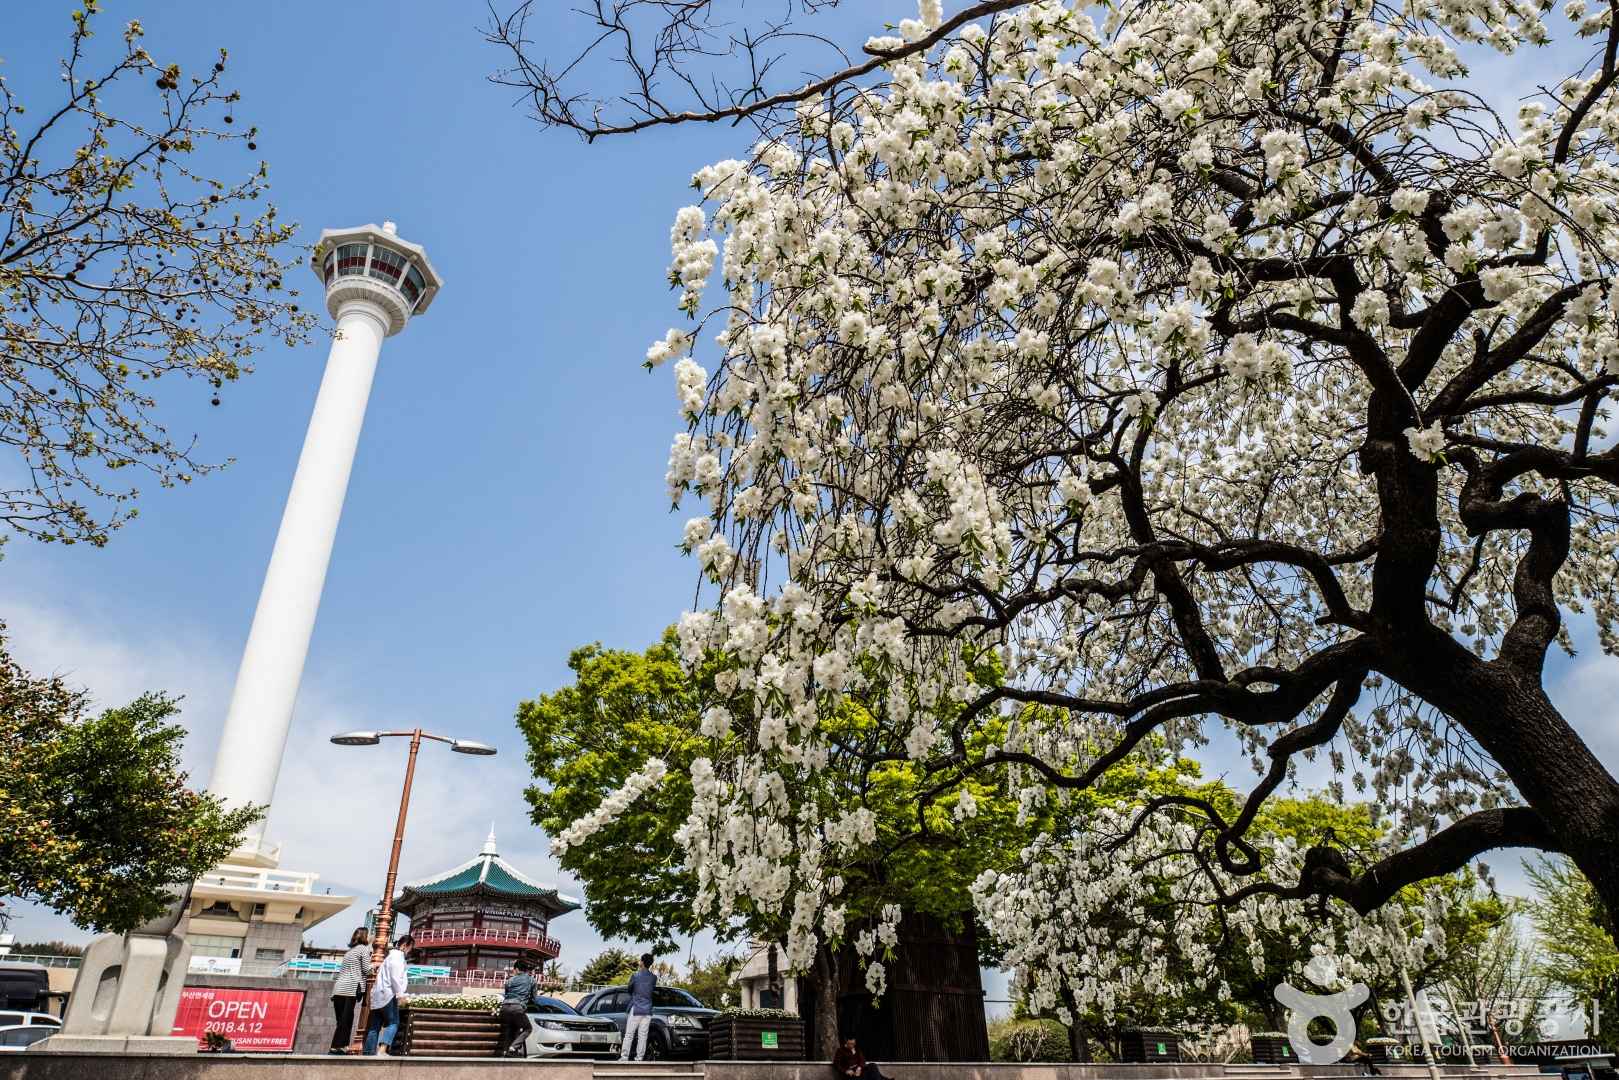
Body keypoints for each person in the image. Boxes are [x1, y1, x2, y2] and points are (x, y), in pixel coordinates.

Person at [363, 933, 413, 1056]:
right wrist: (400, 994)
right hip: (388, 994)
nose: (409, 951)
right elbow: (395, 978)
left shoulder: (390, 956)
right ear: (405, 945)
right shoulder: (397, 958)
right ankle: (382, 1050)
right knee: (393, 1023)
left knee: (375, 1025)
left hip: (378, 994)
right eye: (410, 947)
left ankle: (368, 1052)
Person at [328, 927, 372, 1054]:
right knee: (346, 1019)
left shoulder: (349, 952)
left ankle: (342, 1045)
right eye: (369, 934)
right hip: (350, 988)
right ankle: (337, 1046)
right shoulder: (363, 949)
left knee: (341, 1020)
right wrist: (375, 966)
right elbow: (367, 969)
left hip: (338, 989)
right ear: (365, 936)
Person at [618, 952, 657, 1061]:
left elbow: (629, 989)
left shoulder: (635, 976)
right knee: (643, 1035)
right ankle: (639, 1058)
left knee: (629, 1034)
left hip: (636, 1008)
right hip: (648, 1009)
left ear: (642, 962)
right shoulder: (654, 978)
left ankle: (624, 1057)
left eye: (640, 960)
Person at [497, 958, 538, 1057]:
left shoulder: (509, 980)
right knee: (528, 1029)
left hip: (505, 1007)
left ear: (516, 969)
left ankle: (506, 1052)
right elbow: (534, 998)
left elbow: (507, 994)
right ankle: (513, 1047)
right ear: (526, 969)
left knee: (512, 1029)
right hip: (517, 1007)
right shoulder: (531, 980)